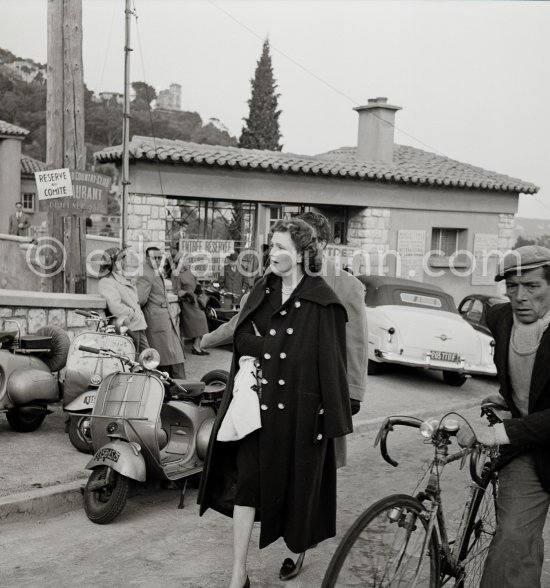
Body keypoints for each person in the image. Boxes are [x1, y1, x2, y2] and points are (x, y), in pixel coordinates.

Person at [198, 219, 353, 588]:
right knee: (247, 484)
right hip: (256, 408)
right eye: (270, 246)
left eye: (281, 247)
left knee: (298, 493)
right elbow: (241, 336)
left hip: (299, 414)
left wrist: (332, 422)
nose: (272, 253)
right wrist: (271, 347)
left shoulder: (323, 301)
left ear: (301, 255)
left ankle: (298, 551)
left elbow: (331, 364)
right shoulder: (262, 290)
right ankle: (239, 574)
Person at [201, 211, 368, 423]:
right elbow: (243, 321)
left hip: (315, 390)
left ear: (322, 244)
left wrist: (353, 391)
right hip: (268, 384)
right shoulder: (272, 279)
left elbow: (355, 345)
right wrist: (208, 340)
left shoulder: (348, 286)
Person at [457, 245, 550, 588]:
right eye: (512, 286)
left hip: (524, 433)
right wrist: (505, 399)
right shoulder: (499, 319)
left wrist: (502, 433)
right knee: (513, 542)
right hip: (531, 447)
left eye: (532, 286)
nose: (520, 297)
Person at [137, 246, 186, 378]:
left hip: (163, 319)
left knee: (172, 355)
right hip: (156, 321)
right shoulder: (145, 274)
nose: (158, 260)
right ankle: (172, 386)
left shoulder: (153, 272)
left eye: (160, 257)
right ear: (147, 258)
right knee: (165, 356)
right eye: (154, 258)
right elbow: (140, 299)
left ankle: (177, 385)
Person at [97, 247, 149, 354]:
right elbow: (115, 306)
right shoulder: (106, 281)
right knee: (134, 362)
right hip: (127, 328)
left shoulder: (120, 277)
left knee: (148, 359)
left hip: (137, 326)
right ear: (113, 262)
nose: (124, 261)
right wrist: (131, 313)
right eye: (121, 259)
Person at [171, 256, 210, 356]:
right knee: (197, 323)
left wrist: (199, 290)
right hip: (187, 302)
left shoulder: (190, 271)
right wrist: (186, 294)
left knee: (203, 321)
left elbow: (196, 283)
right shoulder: (176, 274)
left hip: (196, 300)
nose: (188, 262)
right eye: (185, 260)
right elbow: (176, 290)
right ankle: (196, 346)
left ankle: (197, 345)